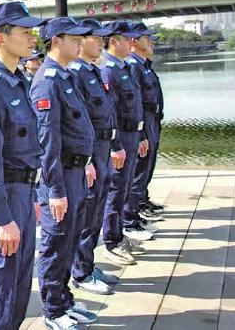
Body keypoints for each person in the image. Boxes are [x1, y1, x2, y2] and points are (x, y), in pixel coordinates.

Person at [0, 2, 45, 329]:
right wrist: (2, 217)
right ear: (1, 38)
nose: (32, 38)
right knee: (0, 288)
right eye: (25, 32)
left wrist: (36, 196)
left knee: (20, 284)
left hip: (24, 192)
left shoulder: (19, 80)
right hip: (3, 197)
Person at [28, 17, 97, 330]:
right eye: (74, 39)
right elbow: (47, 143)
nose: (79, 43)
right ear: (56, 41)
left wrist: (87, 163)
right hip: (60, 176)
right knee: (56, 245)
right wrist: (55, 190)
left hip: (75, 171)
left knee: (69, 240)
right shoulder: (47, 81)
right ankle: (53, 309)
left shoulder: (65, 76)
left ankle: (64, 299)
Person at [68, 19, 121, 295]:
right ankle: (80, 272)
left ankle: (88, 265)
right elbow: (77, 123)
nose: (101, 42)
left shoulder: (93, 71)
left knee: (97, 210)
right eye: (95, 38)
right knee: (87, 214)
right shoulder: (75, 73)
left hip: (102, 149)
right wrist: (87, 160)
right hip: (90, 153)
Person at [100, 20, 151, 270]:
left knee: (125, 188)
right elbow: (110, 113)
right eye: (126, 38)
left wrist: (140, 135)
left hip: (132, 136)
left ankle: (119, 234)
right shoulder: (108, 69)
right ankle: (111, 241)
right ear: (114, 41)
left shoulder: (124, 67)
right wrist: (114, 145)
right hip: (120, 138)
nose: (132, 42)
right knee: (116, 190)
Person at [127, 22, 165, 223]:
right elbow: (135, 102)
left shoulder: (144, 65)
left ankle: (142, 200)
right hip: (144, 121)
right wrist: (141, 132)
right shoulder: (133, 66)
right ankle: (136, 208)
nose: (151, 43)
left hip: (153, 120)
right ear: (134, 41)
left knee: (147, 165)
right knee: (140, 167)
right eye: (147, 38)